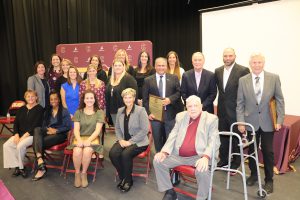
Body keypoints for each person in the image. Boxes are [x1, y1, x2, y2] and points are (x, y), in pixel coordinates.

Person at [153, 95, 220, 200]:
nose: (192, 108)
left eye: (195, 106)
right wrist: (164, 152)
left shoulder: (211, 119)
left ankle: (202, 197)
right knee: (158, 161)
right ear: (186, 107)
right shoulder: (180, 116)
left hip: (198, 156)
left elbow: (214, 141)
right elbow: (173, 135)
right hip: (178, 155)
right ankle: (170, 191)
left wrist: (206, 157)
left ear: (201, 106)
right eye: (189, 106)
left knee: (202, 170)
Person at [236, 53, 285, 194]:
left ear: (263, 63)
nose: (256, 65)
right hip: (250, 122)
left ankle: (269, 180)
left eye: (259, 62)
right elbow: (240, 103)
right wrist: (241, 122)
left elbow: (280, 100)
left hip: (268, 122)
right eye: (254, 62)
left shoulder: (273, 78)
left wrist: (280, 120)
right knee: (252, 151)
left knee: (268, 151)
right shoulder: (243, 80)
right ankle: (253, 175)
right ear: (250, 64)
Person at [214, 48, 250, 170]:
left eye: (230, 56)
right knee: (223, 136)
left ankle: (236, 162)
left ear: (235, 56)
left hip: (236, 111)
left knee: (236, 137)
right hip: (222, 110)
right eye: (225, 56)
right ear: (222, 57)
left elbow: (246, 92)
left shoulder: (243, 70)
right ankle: (223, 159)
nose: (227, 58)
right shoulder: (218, 71)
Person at [109, 88, 149, 192]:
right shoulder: (120, 111)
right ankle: (124, 176)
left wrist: (130, 142)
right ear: (123, 99)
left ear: (134, 98)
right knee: (113, 153)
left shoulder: (141, 110)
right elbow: (117, 128)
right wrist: (121, 140)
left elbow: (145, 130)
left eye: (130, 97)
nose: (128, 100)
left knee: (125, 154)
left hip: (139, 141)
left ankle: (128, 181)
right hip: (123, 140)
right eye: (125, 97)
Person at [143, 57, 182, 152]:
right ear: (155, 66)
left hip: (170, 114)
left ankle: (169, 160)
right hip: (155, 116)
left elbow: (179, 93)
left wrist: (170, 99)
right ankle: (159, 161)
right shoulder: (148, 80)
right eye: (159, 65)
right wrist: (148, 113)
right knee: (157, 140)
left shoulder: (174, 78)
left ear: (166, 66)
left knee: (170, 139)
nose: (161, 67)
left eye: (163, 65)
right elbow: (145, 99)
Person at [68, 90, 105, 188]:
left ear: (94, 99)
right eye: (87, 98)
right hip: (79, 136)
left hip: (93, 137)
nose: (89, 100)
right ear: (83, 100)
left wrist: (88, 141)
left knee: (88, 151)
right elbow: (76, 130)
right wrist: (79, 140)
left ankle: (84, 173)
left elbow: (97, 131)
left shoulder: (100, 112)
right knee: (77, 151)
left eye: (91, 98)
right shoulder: (78, 112)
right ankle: (77, 173)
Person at [3, 90, 44, 178]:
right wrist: (16, 134)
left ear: (36, 97)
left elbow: (36, 125)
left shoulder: (40, 109)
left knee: (20, 146)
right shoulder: (21, 109)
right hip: (19, 134)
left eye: (33, 96)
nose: (30, 98)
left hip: (31, 135)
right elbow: (16, 123)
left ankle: (21, 168)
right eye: (28, 96)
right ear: (25, 98)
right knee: (6, 145)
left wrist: (22, 138)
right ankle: (17, 166)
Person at [32, 91, 71, 181]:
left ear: (59, 100)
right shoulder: (47, 111)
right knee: (37, 129)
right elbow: (43, 125)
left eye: (55, 99)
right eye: (51, 99)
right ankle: (40, 160)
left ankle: (40, 167)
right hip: (48, 131)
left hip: (60, 134)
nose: (53, 101)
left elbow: (68, 126)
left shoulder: (64, 111)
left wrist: (56, 131)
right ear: (49, 101)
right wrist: (48, 129)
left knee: (38, 141)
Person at [106, 59, 138, 125]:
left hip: (126, 111)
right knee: (118, 132)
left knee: (127, 132)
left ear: (123, 67)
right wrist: (107, 113)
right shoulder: (109, 79)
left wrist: (132, 111)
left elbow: (134, 96)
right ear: (113, 67)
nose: (117, 67)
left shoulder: (129, 79)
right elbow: (107, 97)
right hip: (113, 112)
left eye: (120, 65)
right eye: (115, 65)